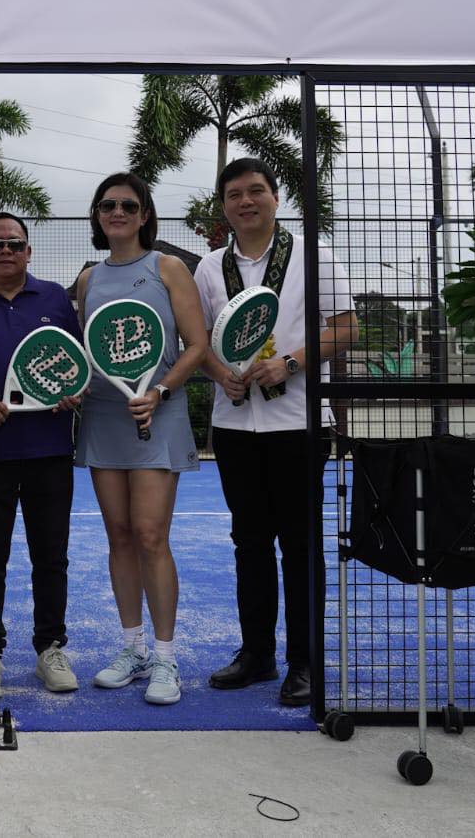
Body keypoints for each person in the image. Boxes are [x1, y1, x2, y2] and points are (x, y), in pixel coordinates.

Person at [196, 157, 355, 707]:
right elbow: (199, 343)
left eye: (256, 191)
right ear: (223, 206)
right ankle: (257, 653)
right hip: (235, 424)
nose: (246, 201)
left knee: (300, 544)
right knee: (249, 543)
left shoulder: (314, 255)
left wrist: (290, 363)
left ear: (276, 197)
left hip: (299, 423)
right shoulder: (210, 268)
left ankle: (304, 661)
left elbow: (346, 328)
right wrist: (221, 374)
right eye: (234, 194)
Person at [73, 172, 211, 706]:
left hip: (159, 414)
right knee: (120, 536)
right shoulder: (88, 279)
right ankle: (132, 649)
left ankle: (165, 656)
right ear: (97, 214)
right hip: (104, 416)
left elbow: (196, 345)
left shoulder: (168, 267)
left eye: (128, 205)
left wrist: (159, 391)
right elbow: (91, 351)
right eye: (107, 204)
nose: (117, 212)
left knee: (151, 535)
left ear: (145, 214)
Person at [0, 212, 83, 697]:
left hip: (51, 449)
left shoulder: (54, 299)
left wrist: (73, 391)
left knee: (51, 557)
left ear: (29, 251)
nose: (5, 251)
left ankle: (50, 647)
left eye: (14, 243)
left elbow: (76, 362)